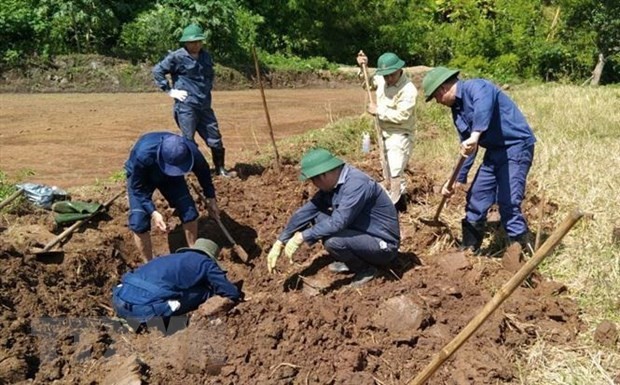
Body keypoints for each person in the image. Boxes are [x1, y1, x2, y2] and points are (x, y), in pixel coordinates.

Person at [422, 67, 536, 253]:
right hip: (494, 152)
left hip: (516, 147)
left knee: (508, 202)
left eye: (436, 97)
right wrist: (457, 178)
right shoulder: (457, 110)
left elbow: (484, 108)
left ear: (442, 89)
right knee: (476, 197)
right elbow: (467, 147)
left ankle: (522, 254)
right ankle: (469, 249)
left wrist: (475, 135)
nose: (438, 102)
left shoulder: (477, 87)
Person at [266, 148, 400, 287]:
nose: (314, 184)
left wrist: (302, 236)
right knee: (318, 217)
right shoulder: (334, 185)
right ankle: (353, 260)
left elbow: (339, 222)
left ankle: (365, 269)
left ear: (322, 175)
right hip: (361, 234)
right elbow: (307, 211)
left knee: (333, 241)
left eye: (313, 180)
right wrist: (281, 241)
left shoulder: (356, 184)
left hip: (383, 245)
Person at [125, 131, 220, 261]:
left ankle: (193, 252)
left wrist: (211, 198)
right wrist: (153, 212)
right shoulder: (143, 155)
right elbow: (137, 189)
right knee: (139, 221)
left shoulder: (190, 150)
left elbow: (203, 171)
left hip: (170, 179)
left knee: (189, 211)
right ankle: (149, 264)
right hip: (143, 179)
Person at [152, 23, 231, 177]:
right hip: (186, 106)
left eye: (199, 41)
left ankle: (220, 169)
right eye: (193, 42)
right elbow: (157, 71)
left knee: (214, 137)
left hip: (205, 105)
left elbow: (209, 76)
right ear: (186, 43)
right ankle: (191, 172)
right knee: (188, 140)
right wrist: (170, 91)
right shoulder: (177, 57)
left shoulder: (206, 56)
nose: (196, 45)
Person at [112, 238, 243, 328]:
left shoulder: (171, 259)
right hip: (143, 311)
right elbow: (227, 290)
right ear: (210, 256)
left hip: (120, 300)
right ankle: (159, 324)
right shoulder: (205, 262)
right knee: (207, 292)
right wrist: (237, 296)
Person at [356, 51, 418, 207]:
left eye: (392, 75)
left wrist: (378, 111)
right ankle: (401, 201)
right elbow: (368, 84)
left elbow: (402, 116)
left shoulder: (408, 89)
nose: (389, 79)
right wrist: (363, 68)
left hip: (400, 133)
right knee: (387, 168)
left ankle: (394, 204)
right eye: (385, 76)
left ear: (399, 70)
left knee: (396, 168)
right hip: (383, 131)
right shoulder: (381, 79)